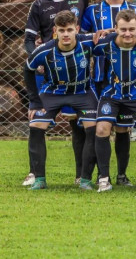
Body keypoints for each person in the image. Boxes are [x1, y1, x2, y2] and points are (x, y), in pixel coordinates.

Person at [22, 0, 90, 187]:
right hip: (49, 73)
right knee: (38, 122)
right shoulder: (39, 4)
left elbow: (87, 30)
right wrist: (38, 59)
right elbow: (29, 40)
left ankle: (82, 174)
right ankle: (35, 173)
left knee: (78, 123)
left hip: (77, 73)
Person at [81, 0, 136, 187]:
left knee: (123, 128)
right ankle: (97, 174)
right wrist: (98, 34)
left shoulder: (135, 10)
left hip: (127, 78)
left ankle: (122, 175)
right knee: (100, 127)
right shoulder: (92, 11)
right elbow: (84, 39)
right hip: (100, 77)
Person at [25, 11, 98, 190]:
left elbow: (114, 39)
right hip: (53, 92)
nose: (66, 34)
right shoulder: (44, 50)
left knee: (95, 128)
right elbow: (27, 69)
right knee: (35, 126)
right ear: (55, 31)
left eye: (70, 30)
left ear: (77, 29)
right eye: (62, 30)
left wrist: (108, 31)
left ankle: (85, 179)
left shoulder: (88, 42)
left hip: (83, 92)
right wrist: (34, 102)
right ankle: (40, 179)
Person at [92, 9, 136, 192]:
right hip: (112, 93)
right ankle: (103, 179)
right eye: (123, 29)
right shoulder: (104, 44)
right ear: (115, 29)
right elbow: (80, 43)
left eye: (132, 29)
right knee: (102, 129)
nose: (128, 33)